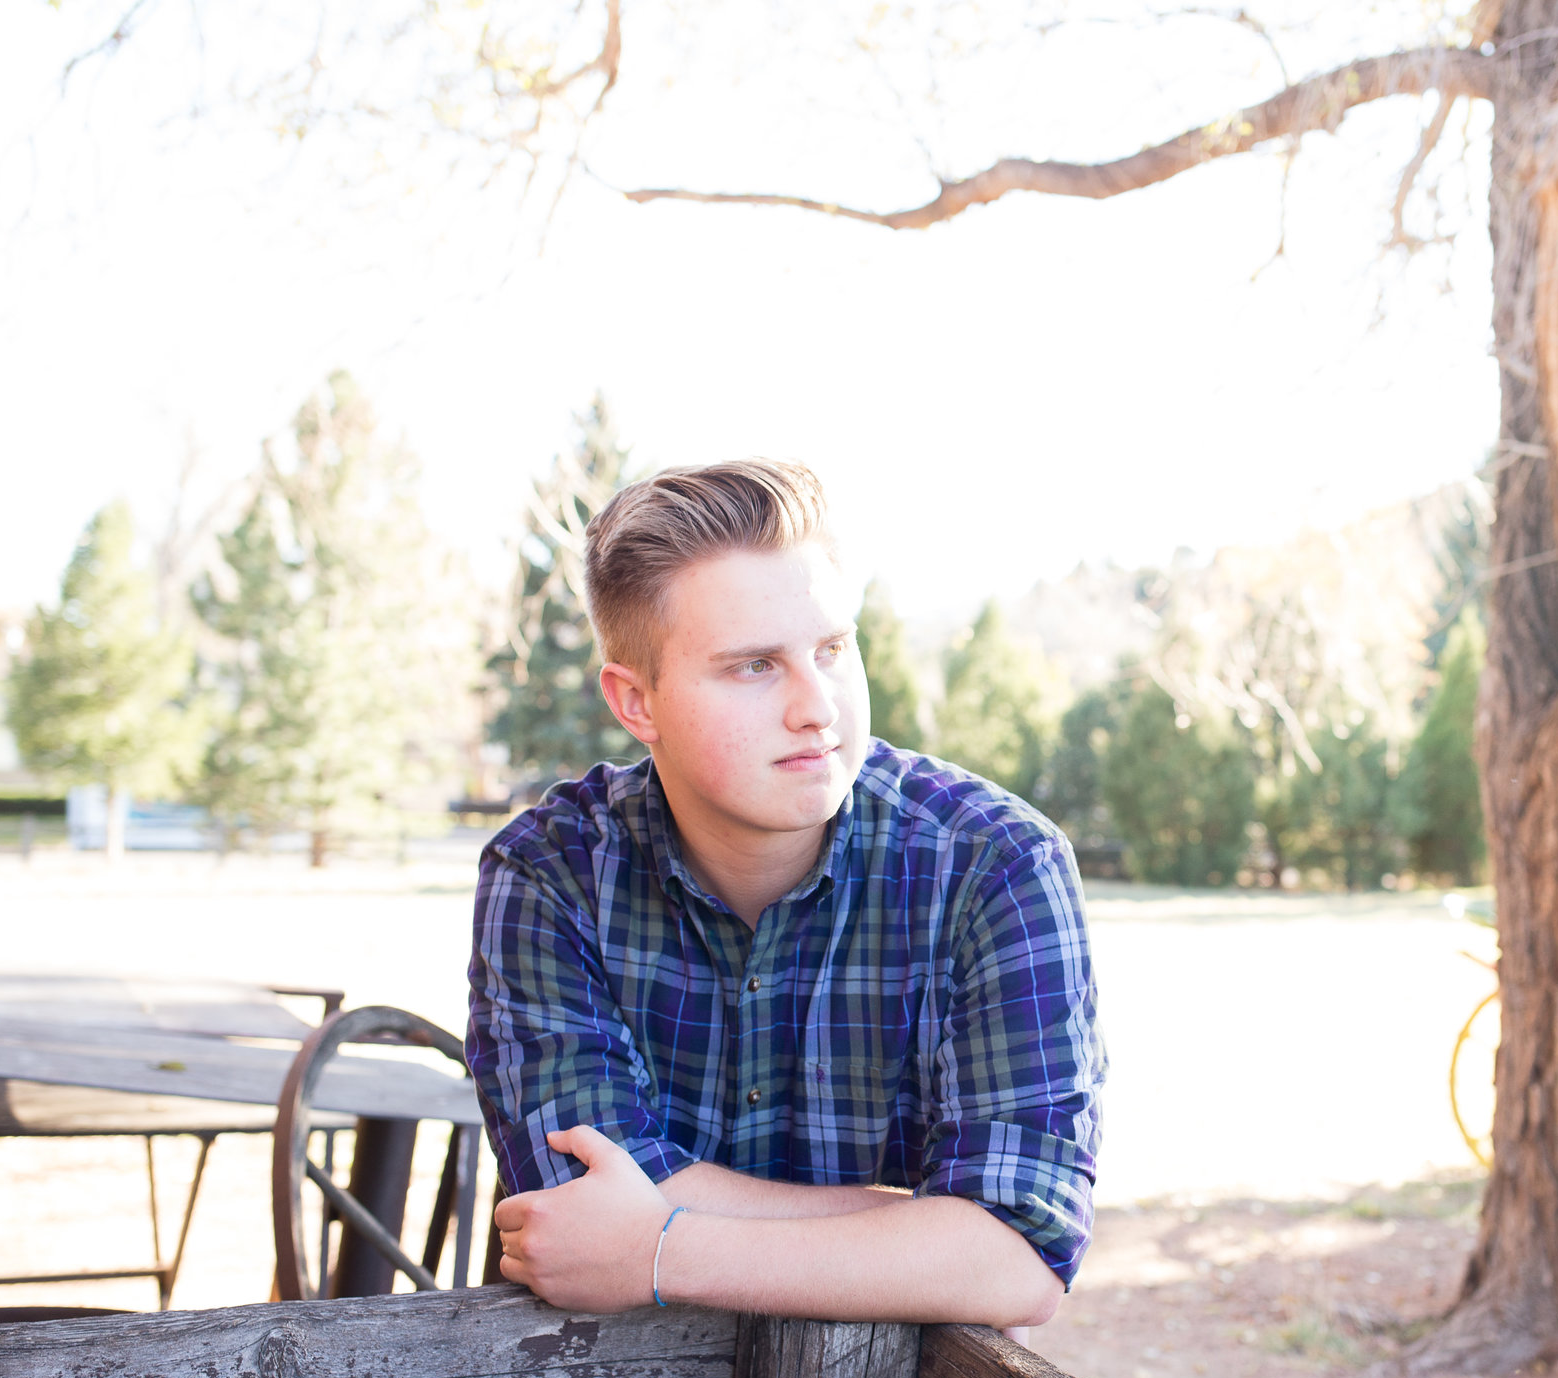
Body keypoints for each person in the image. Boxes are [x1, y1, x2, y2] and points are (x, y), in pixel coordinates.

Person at [466, 459, 1101, 1331]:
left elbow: (1019, 1256)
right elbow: (584, 1208)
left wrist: (661, 1249)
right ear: (635, 701)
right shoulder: (548, 874)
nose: (817, 706)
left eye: (833, 650)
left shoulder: (996, 865)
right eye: (754, 666)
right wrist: (924, 1227)